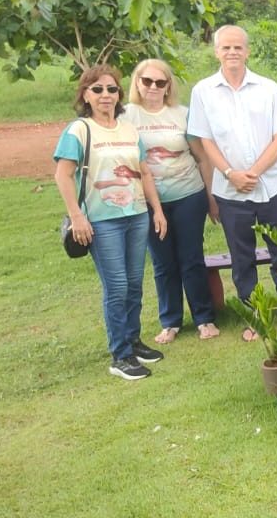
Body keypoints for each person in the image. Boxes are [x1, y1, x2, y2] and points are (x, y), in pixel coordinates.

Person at [187, 25, 277, 339]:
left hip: (272, 186)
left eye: (238, 47)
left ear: (247, 51)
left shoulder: (268, 88)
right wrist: (230, 174)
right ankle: (256, 315)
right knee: (242, 256)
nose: (232, 52)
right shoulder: (203, 92)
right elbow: (205, 140)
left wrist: (253, 172)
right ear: (216, 52)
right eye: (226, 48)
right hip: (230, 190)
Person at [53, 65, 168, 380]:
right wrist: (77, 216)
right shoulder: (79, 130)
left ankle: (133, 339)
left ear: (119, 94)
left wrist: (156, 209)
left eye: (112, 89)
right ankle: (120, 355)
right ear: (85, 95)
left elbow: (144, 172)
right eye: (98, 89)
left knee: (134, 283)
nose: (106, 95)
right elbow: (63, 175)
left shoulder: (128, 129)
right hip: (101, 222)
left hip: (136, 215)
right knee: (116, 286)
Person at [124, 58, 220, 343]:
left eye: (160, 82)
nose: (153, 87)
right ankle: (171, 321)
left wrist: (210, 197)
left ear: (168, 87)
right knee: (162, 261)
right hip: (147, 202)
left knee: (191, 258)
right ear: (137, 84)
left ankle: (204, 318)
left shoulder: (183, 114)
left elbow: (201, 156)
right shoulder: (126, 116)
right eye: (147, 81)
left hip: (188, 194)